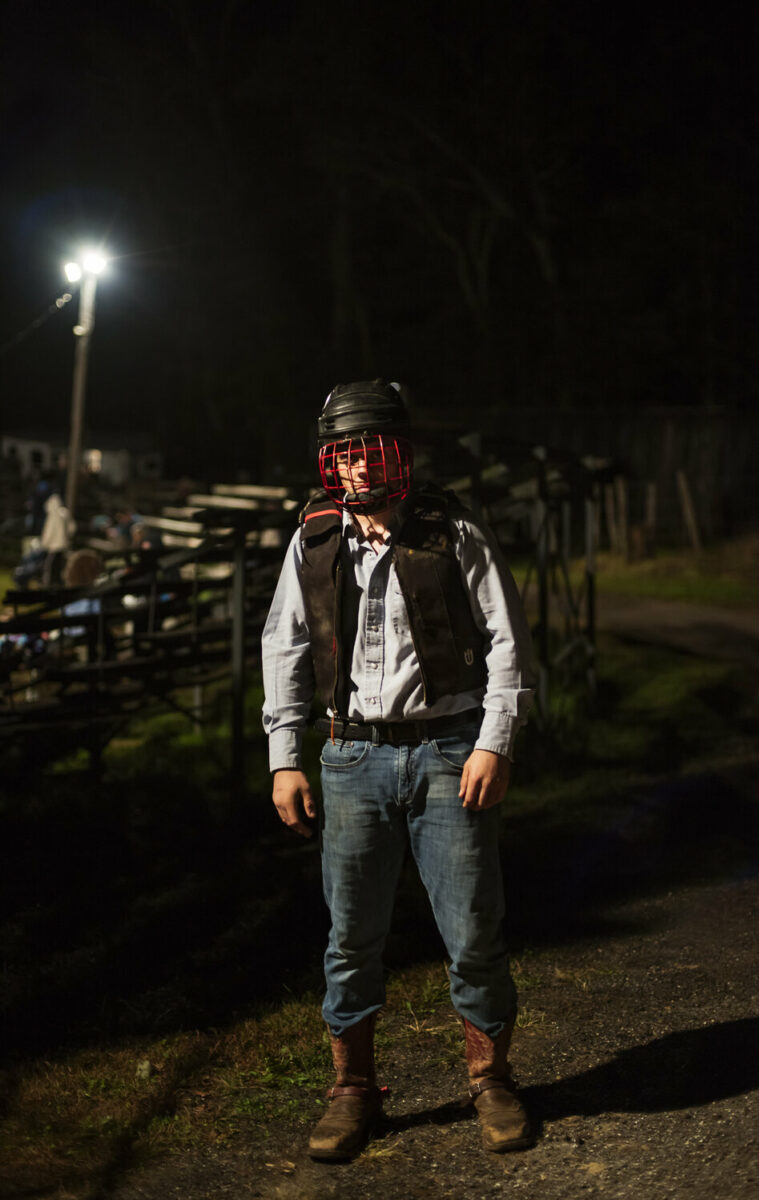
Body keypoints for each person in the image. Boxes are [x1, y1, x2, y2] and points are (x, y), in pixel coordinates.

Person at [261, 379, 536, 1161]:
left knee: (473, 930)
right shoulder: (314, 539)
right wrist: (286, 758)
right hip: (350, 755)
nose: (353, 472)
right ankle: (351, 1092)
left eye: (367, 453)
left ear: (399, 454)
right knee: (351, 938)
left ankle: (490, 1081)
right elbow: (282, 647)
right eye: (341, 457)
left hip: (449, 750)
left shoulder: (452, 533)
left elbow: (507, 640)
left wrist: (494, 740)